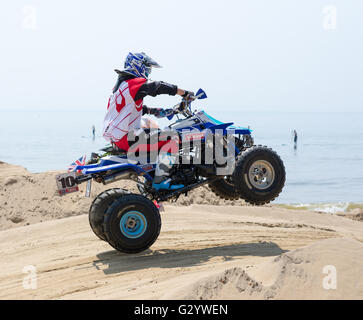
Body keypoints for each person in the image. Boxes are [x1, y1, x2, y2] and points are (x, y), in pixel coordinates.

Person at [102, 52, 193, 191]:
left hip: (118, 139)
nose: (148, 71)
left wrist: (167, 111)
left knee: (156, 134)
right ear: (138, 66)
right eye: (147, 68)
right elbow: (157, 86)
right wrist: (184, 93)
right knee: (173, 137)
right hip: (127, 138)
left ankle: (153, 176)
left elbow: (139, 110)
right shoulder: (133, 82)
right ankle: (161, 181)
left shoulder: (121, 87)